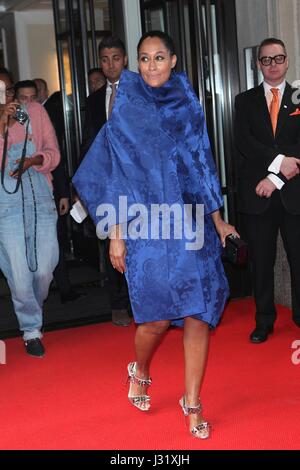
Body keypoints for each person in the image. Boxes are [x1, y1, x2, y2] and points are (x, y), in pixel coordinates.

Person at [73, 31, 238, 438]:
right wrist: (114, 232)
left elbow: (202, 161)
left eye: (159, 57)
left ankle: (193, 402)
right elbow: (112, 170)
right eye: (144, 59)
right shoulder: (126, 107)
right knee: (157, 319)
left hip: (191, 219)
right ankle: (141, 368)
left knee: (198, 314)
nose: (151, 66)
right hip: (145, 223)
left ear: (173, 60)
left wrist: (218, 219)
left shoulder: (188, 104)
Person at [234, 37, 300, 344]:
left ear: (287, 61)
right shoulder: (244, 101)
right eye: (266, 60)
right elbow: (244, 143)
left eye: (278, 58)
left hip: (293, 194)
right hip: (256, 197)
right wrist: (277, 162)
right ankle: (263, 320)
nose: (272, 65)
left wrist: (276, 179)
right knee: (262, 261)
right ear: (258, 64)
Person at [0, 79, 60, 357]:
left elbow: (54, 153)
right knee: (19, 272)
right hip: (5, 202)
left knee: (45, 267)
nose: (6, 96)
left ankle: (31, 308)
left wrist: (34, 160)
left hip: (39, 195)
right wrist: (3, 124)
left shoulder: (34, 111)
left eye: (8, 90)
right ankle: (31, 328)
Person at [81, 36, 131, 327]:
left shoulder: (141, 90)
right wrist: (85, 183)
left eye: (115, 57)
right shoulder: (94, 99)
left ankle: (140, 300)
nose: (110, 64)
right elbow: (89, 141)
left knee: (137, 240)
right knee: (112, 241)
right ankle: (118, 303)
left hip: (137, 182)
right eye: (105, 59)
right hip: (107, 182)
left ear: (124, 59)